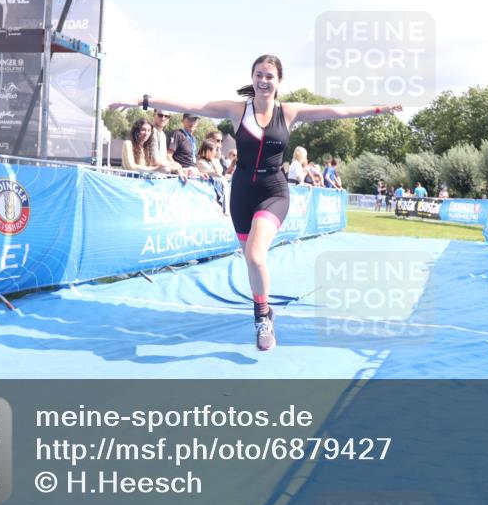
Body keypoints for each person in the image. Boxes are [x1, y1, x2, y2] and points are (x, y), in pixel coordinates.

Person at [110, 54, 401, 351]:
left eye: (269, 76)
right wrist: (140, 100)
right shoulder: (236, 110)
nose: (264, 81)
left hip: (273, 190)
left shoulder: (288, 112)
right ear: (252, 78)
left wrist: (378, 108)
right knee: (250, 259)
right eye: (259, 75)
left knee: (256, 255)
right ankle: (265, 308)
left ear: (279, 81)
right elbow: (189, 105)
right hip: (242, 193)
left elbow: (336, 112)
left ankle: (261, 317)